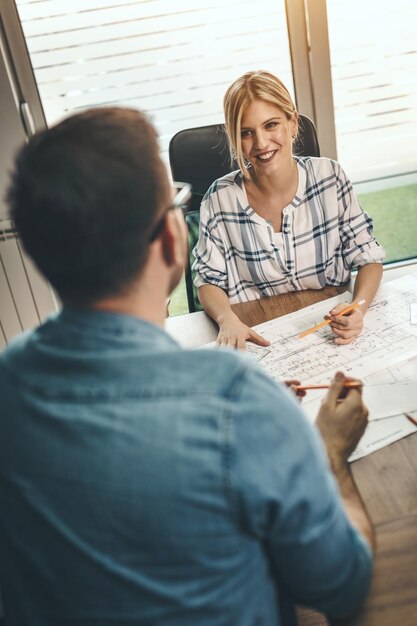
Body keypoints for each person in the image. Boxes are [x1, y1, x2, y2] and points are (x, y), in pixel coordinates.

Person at [0, 107, 374, 626]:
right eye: (176, 201)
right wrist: (327, 451)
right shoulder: (235, 397)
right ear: (172, 240)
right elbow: (341, 585)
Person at [193, 71, 385, 349]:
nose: (260, 143)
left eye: (271, 125)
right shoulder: (219, 198)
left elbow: (368, 258)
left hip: (328, 329)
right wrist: (226, 319)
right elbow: (208, 281)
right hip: (258, 333)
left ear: (292, 123)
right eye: (246, 133)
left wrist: (359, 306)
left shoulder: (330, 177)